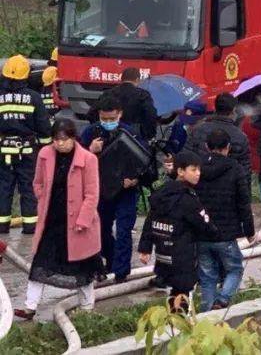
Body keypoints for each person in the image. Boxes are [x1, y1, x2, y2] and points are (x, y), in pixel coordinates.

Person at [13, 119, 100, 320]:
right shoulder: (45, 154)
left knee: (82, 266)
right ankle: (29, 306)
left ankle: (87, 306)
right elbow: (37, 182)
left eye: (64, 139)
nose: (60, 144)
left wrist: (83, 220)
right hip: (51, 219)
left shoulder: (88, 159)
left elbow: (92, 194)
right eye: (56, 139)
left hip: (77, 223)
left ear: (73, 138)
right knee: (40, 263)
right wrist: (42, 197)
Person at [80, 94, 154, 284]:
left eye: (112, 119)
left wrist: (135, 179)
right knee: (100, 230)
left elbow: (146, 162)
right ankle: (111, 260)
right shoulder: (90, 133)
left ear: (120, 114)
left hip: (126, 191)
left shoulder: (131, 134)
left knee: (123, 231)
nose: (108, 122)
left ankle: (121, 272)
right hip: (100, 190)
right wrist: (90, 150)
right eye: (104, 119)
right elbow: (76, 161)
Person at [138, 150, 218, 312]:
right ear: (180, 171)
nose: (198, 173)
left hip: (163, 253)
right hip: (183, 255)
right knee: (183, 292)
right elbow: (204, 224)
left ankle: (173, 318)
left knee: (174, 291)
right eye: (193, 169)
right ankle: (179, 321)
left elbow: (150, 220)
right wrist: (215, 233)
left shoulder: (162, 194)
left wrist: (145, 248)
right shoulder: (188, 199)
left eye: (199, 169)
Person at [195, 130, 255, 312]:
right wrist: (249, 231)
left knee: (207, 276)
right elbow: (244, 203)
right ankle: (222, 300)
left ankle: (207, 313)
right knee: (234, 269)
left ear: (207, 147)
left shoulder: (196, 169)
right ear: (228, 147)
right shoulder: (235, 168)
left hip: (201, 232)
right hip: (226, 233)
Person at [0, 55, 51, 235]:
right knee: (28, 187)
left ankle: (2, 225)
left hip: (3, 150)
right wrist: (46, 147)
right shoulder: (34, 97)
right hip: (27, 151)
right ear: (26, 75)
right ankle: (30, 225)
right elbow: (43, 126)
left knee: (4, 187)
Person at [187, 94, 251, 176]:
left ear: (215, 107)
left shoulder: (198, 129)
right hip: (228, 180)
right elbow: (244, 168)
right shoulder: (240, 137)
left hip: (199, 178)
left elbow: (187, 155)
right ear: (233, 110)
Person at [103, 68, 158, 143]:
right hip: (134, 138)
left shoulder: (108, 93)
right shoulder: (143, 95)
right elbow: (151, 114)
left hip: (111, 136)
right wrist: (149, 135)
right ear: (137, 80)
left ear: (121, 79)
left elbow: (92, 113)